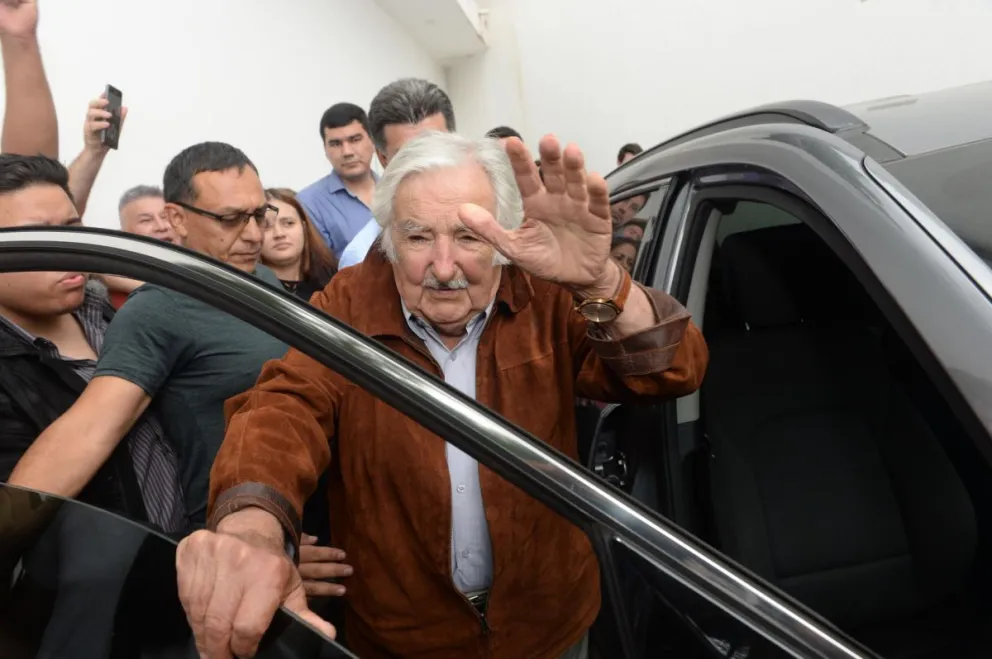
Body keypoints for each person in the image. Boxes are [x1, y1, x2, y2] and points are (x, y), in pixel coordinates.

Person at [175, 132, 708, 659]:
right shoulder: (349, 301)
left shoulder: (544, 293)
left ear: (503, 235)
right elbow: (283, 409)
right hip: (401, 638)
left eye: (470, 237)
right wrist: (252, 529)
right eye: (418, 237)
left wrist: (601, 282)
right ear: (386, 235)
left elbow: (670, 372)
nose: (445, 266)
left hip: (549, 624)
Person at [7, 142, 289, 528]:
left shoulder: (262, 279)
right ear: (177, 217)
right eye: (231, 219)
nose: (255, 234)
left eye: (260, 214)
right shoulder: (154, 310)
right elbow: (89, 432)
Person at [337, 78, 456, 269]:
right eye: (409, 155)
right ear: (383, 159)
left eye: (436, 147)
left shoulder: (503, 225)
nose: (427, 164)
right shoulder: (361, 258)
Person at [296, 103, 378, 258]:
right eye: (335, 144)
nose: (347, 152)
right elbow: (320, 268)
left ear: (373, 141)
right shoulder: (308, 203)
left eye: (355, 140)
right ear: (325, 150)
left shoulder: (396, 190)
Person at [261, 187, 337, 301]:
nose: (279, 234)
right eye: (266, 226)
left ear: (304, 228)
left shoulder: (334, 281)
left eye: (288, 223)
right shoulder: (248, 287)